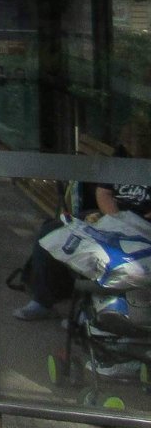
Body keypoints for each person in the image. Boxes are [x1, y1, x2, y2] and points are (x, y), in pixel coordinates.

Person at [14, 125, 151, 320]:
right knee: (51, 231)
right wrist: (115, 219)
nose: (132, 149)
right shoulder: (122, 155)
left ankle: (89, 312)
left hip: (142, 227)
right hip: (114, 217)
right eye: (129, 144)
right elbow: (104, 192)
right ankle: (42, 300)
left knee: (103, 254)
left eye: (137, 144)